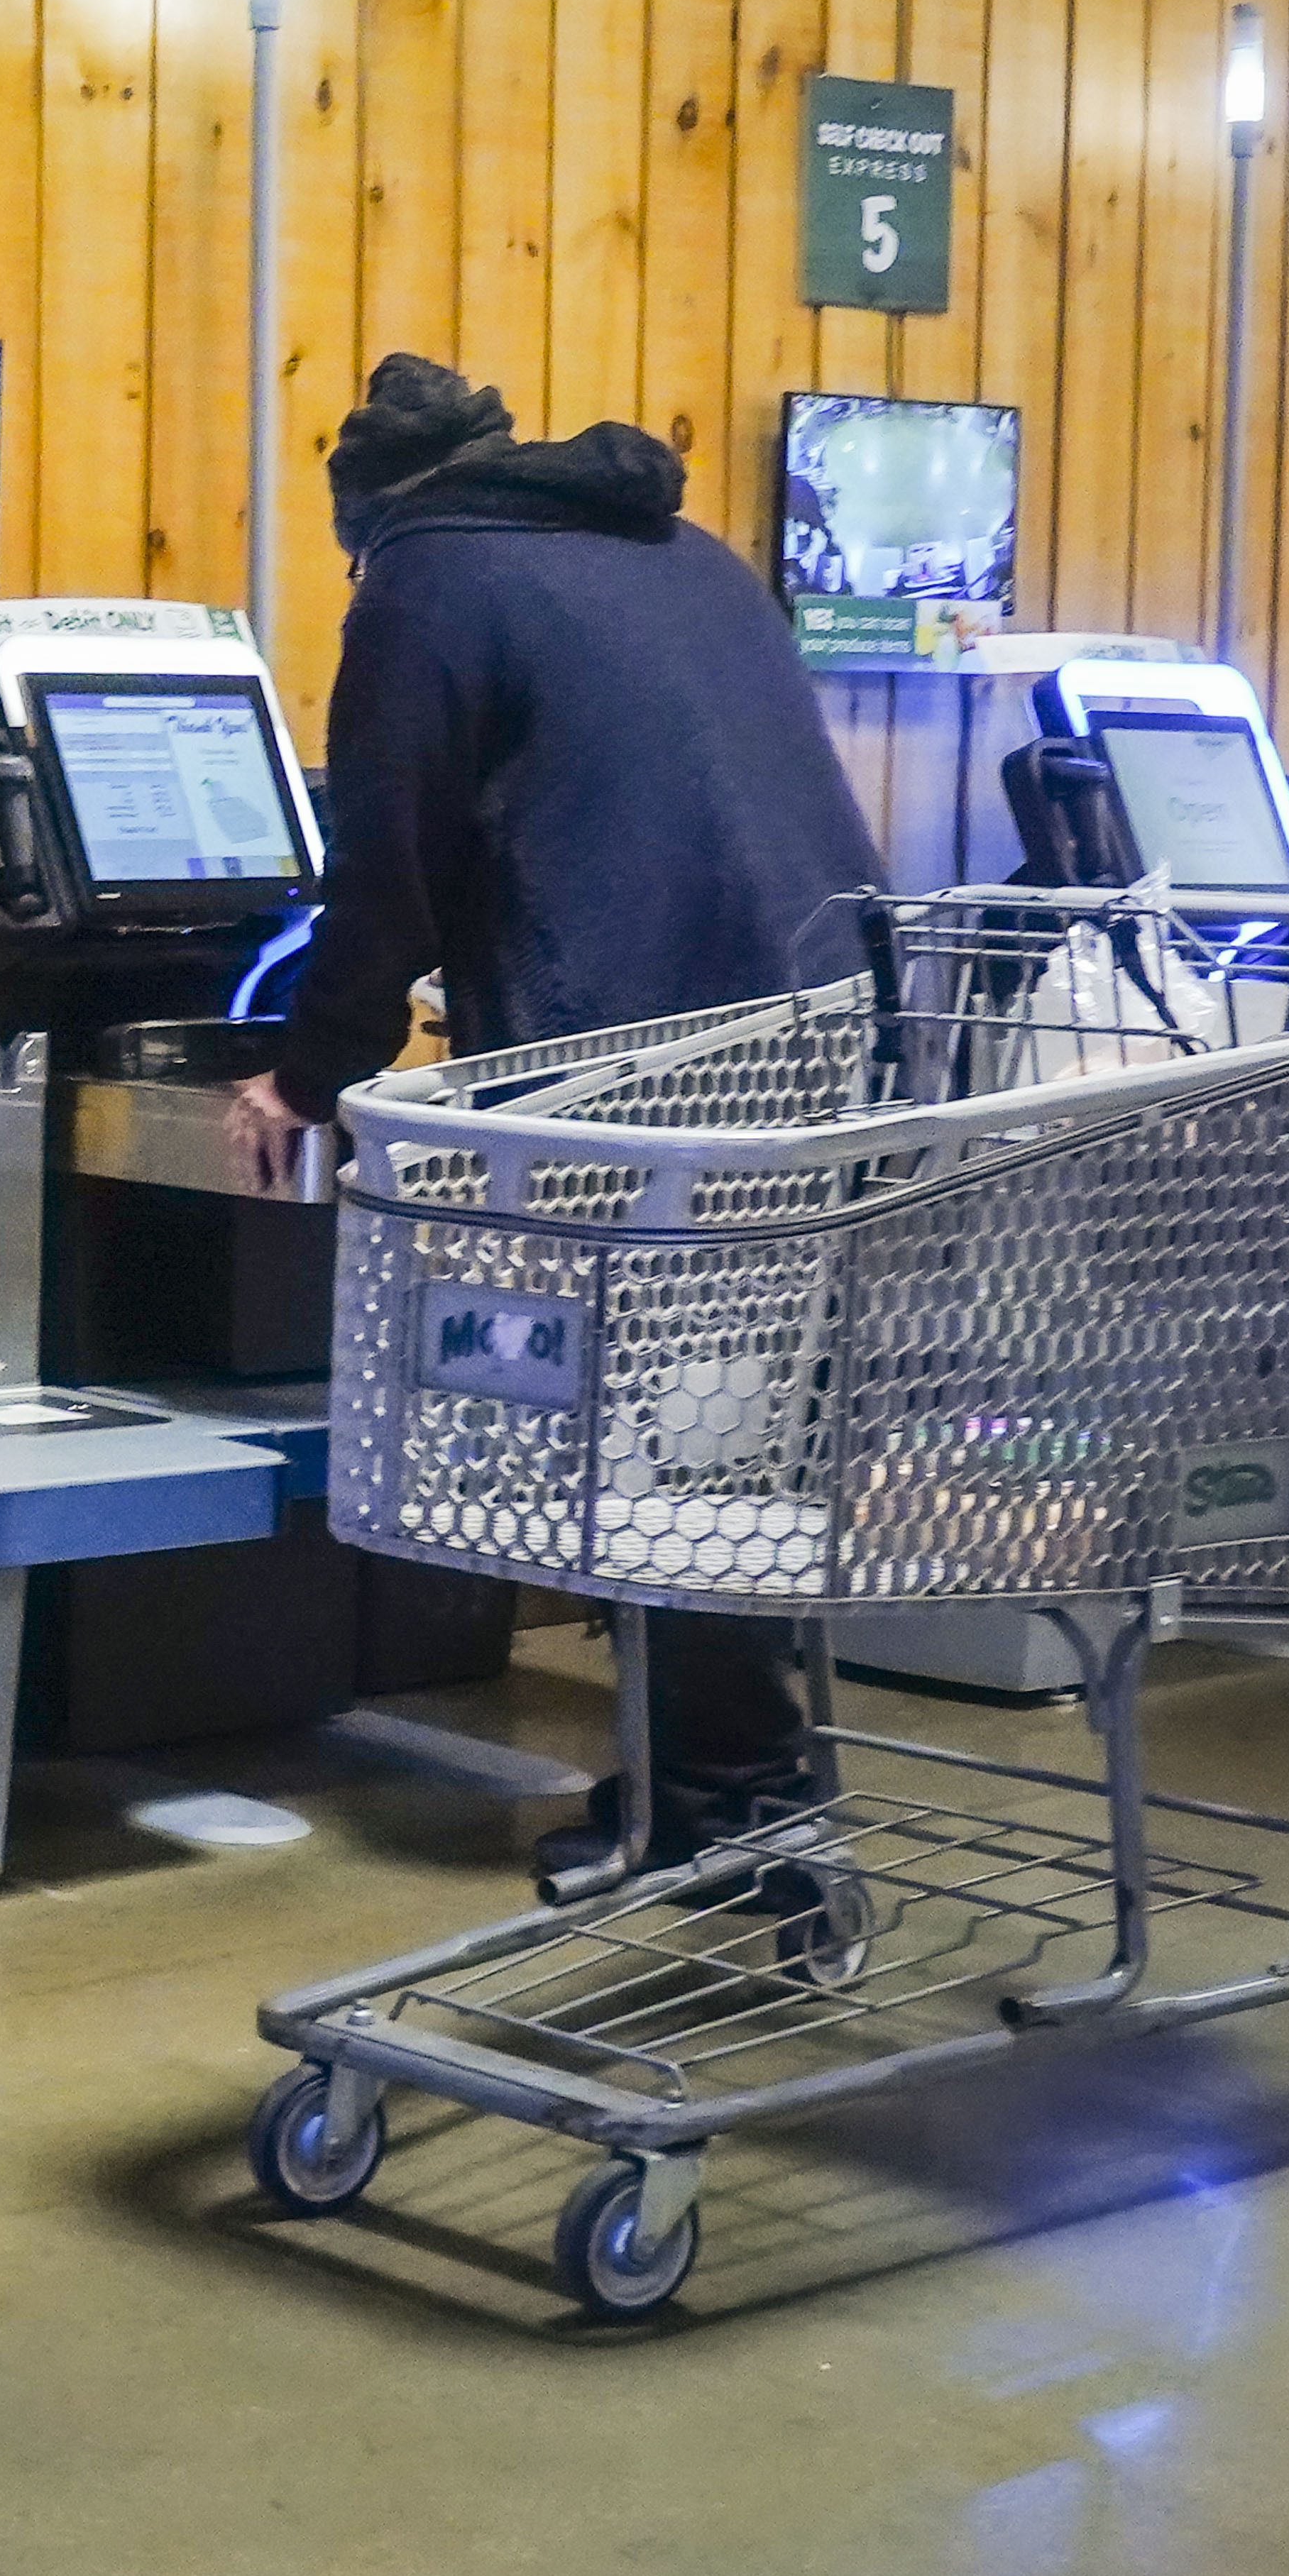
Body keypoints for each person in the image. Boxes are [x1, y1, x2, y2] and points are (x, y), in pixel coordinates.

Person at [220, 353, 884, 1883]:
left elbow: (381, 875)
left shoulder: (422, 587)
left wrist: (304, 1077)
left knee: (656, 1423)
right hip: (824, 1021)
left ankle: (724, 1792)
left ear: (366, 515)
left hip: (644, 1062)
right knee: (730, 1418)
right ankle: (735, 1778)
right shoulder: (682, 550)